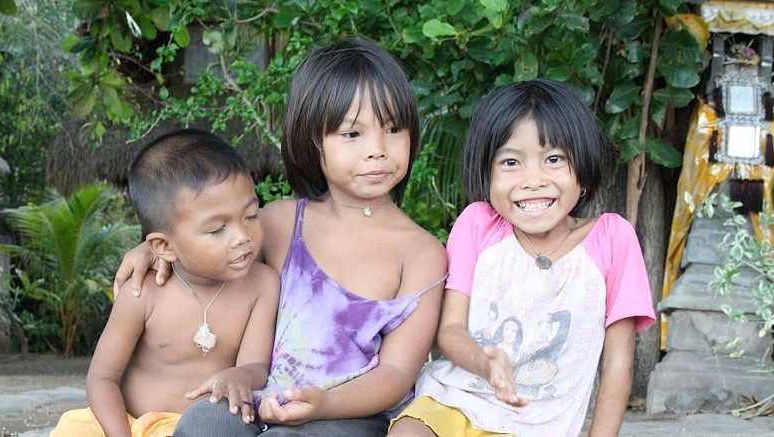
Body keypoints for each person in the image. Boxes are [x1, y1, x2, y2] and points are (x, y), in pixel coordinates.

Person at [114, 38, 447, 437]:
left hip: (350, 415)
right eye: (352, 133)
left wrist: (324, 404)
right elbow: (206, 249)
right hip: (262, 397)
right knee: (205, 420)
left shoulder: (421, 253)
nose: (377, 149)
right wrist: (151, 251)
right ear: (313, 140)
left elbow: (396, 372)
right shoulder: (281, 222)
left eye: (393, 129)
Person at [387, 79, 656, 437]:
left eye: (554, 159)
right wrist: (486, 364)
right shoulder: (477, 224)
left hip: (538, 425)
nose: (533, 180)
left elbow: (617, 363)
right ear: (486, 173)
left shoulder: (612, 239)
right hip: (454, 399)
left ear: (583, 170)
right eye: (511, 161)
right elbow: (450, 330)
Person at [50, 129, 280, 437]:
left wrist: (241, 376)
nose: (243, 237)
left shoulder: (262, 285)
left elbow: (256, 366)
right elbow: (102, 378)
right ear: (164, 246)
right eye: (217, 230)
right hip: (124, 423)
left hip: (198, 428)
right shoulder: (143, 291)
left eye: (250, 215)